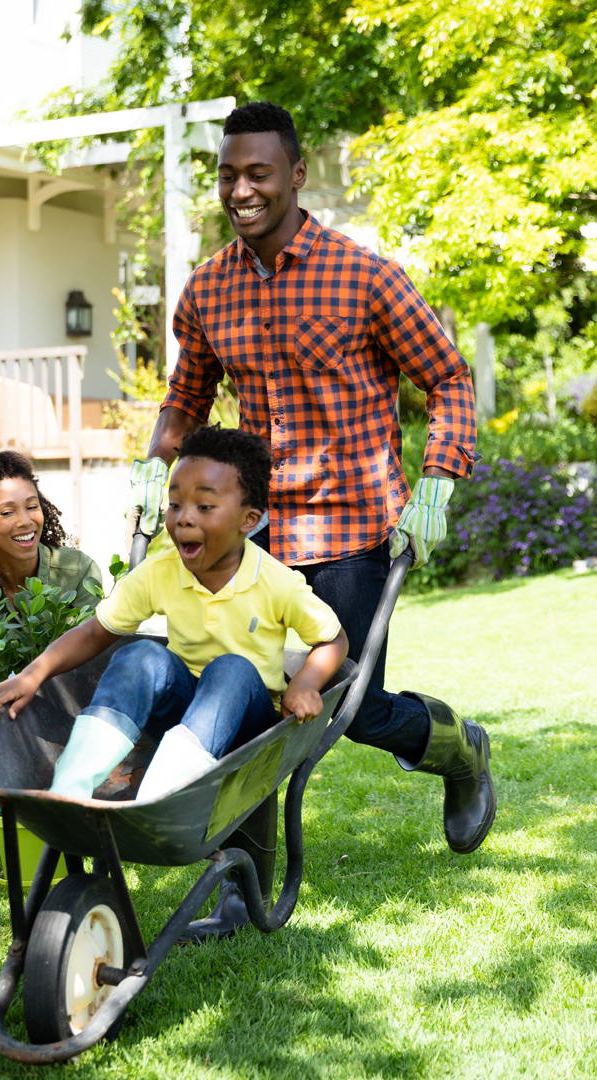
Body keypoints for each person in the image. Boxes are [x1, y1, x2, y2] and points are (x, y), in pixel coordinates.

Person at [127, 101, 495, 941]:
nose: (241, 189)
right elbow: (187, 394)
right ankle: (239, 883)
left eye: (258, 173)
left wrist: (437, 478)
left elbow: (448, 378)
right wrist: (160, 463)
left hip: (356, 528)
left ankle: (460, 749)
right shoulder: (210, 287)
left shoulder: (365, 276)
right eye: (228, 174)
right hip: (256, 537)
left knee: (346, 707)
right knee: (245, 698)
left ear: (296, 175)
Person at [0, 426, 348, 806]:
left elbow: (333, 639)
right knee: (139, 655)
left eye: (204, 507)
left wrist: (306, 682)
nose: (183, 518)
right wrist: (34, 673)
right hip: (182, 717)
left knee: (231, 669)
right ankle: (71, 785)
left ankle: (162, 795)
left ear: (248, 520)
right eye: (175, 504)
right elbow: (95, 633)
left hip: (249, 725)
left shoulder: (277, 583)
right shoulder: (160, 572)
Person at [0, 450, 102, 855]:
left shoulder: (78, 571)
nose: (26, 521)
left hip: (70, 712)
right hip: (1, 722)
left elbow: (92, 667)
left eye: (32, 506)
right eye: (7, 512)